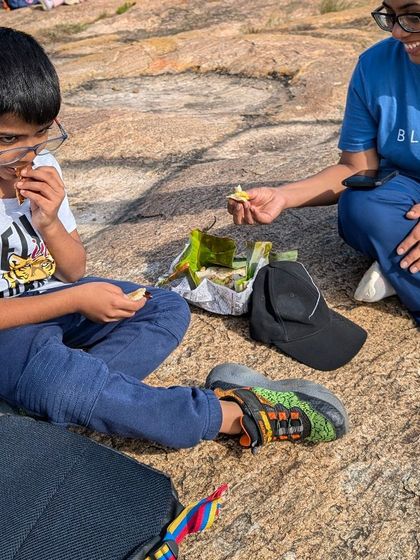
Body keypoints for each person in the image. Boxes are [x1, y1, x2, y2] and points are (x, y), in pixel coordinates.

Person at [0, 27, 348, 454]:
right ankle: (228, 413)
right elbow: (67, 292)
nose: (29, 155)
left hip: (52, 311)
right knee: (53, 376)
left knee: (162, 305)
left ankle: (61, 397)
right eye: (9, 140)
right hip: (8, 330)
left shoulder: (43, 166)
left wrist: (50, 223)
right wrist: (74, 300)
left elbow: (72, 270)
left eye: (40, 135)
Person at [228, 0, 420, 327]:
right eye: (391, 15)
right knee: (360, 204)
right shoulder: (375, 66)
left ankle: (397, 269)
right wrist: (283, 197)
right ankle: (401, 266)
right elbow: (356, 169)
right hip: (402, 194)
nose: (399, 31)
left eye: (413, 15)